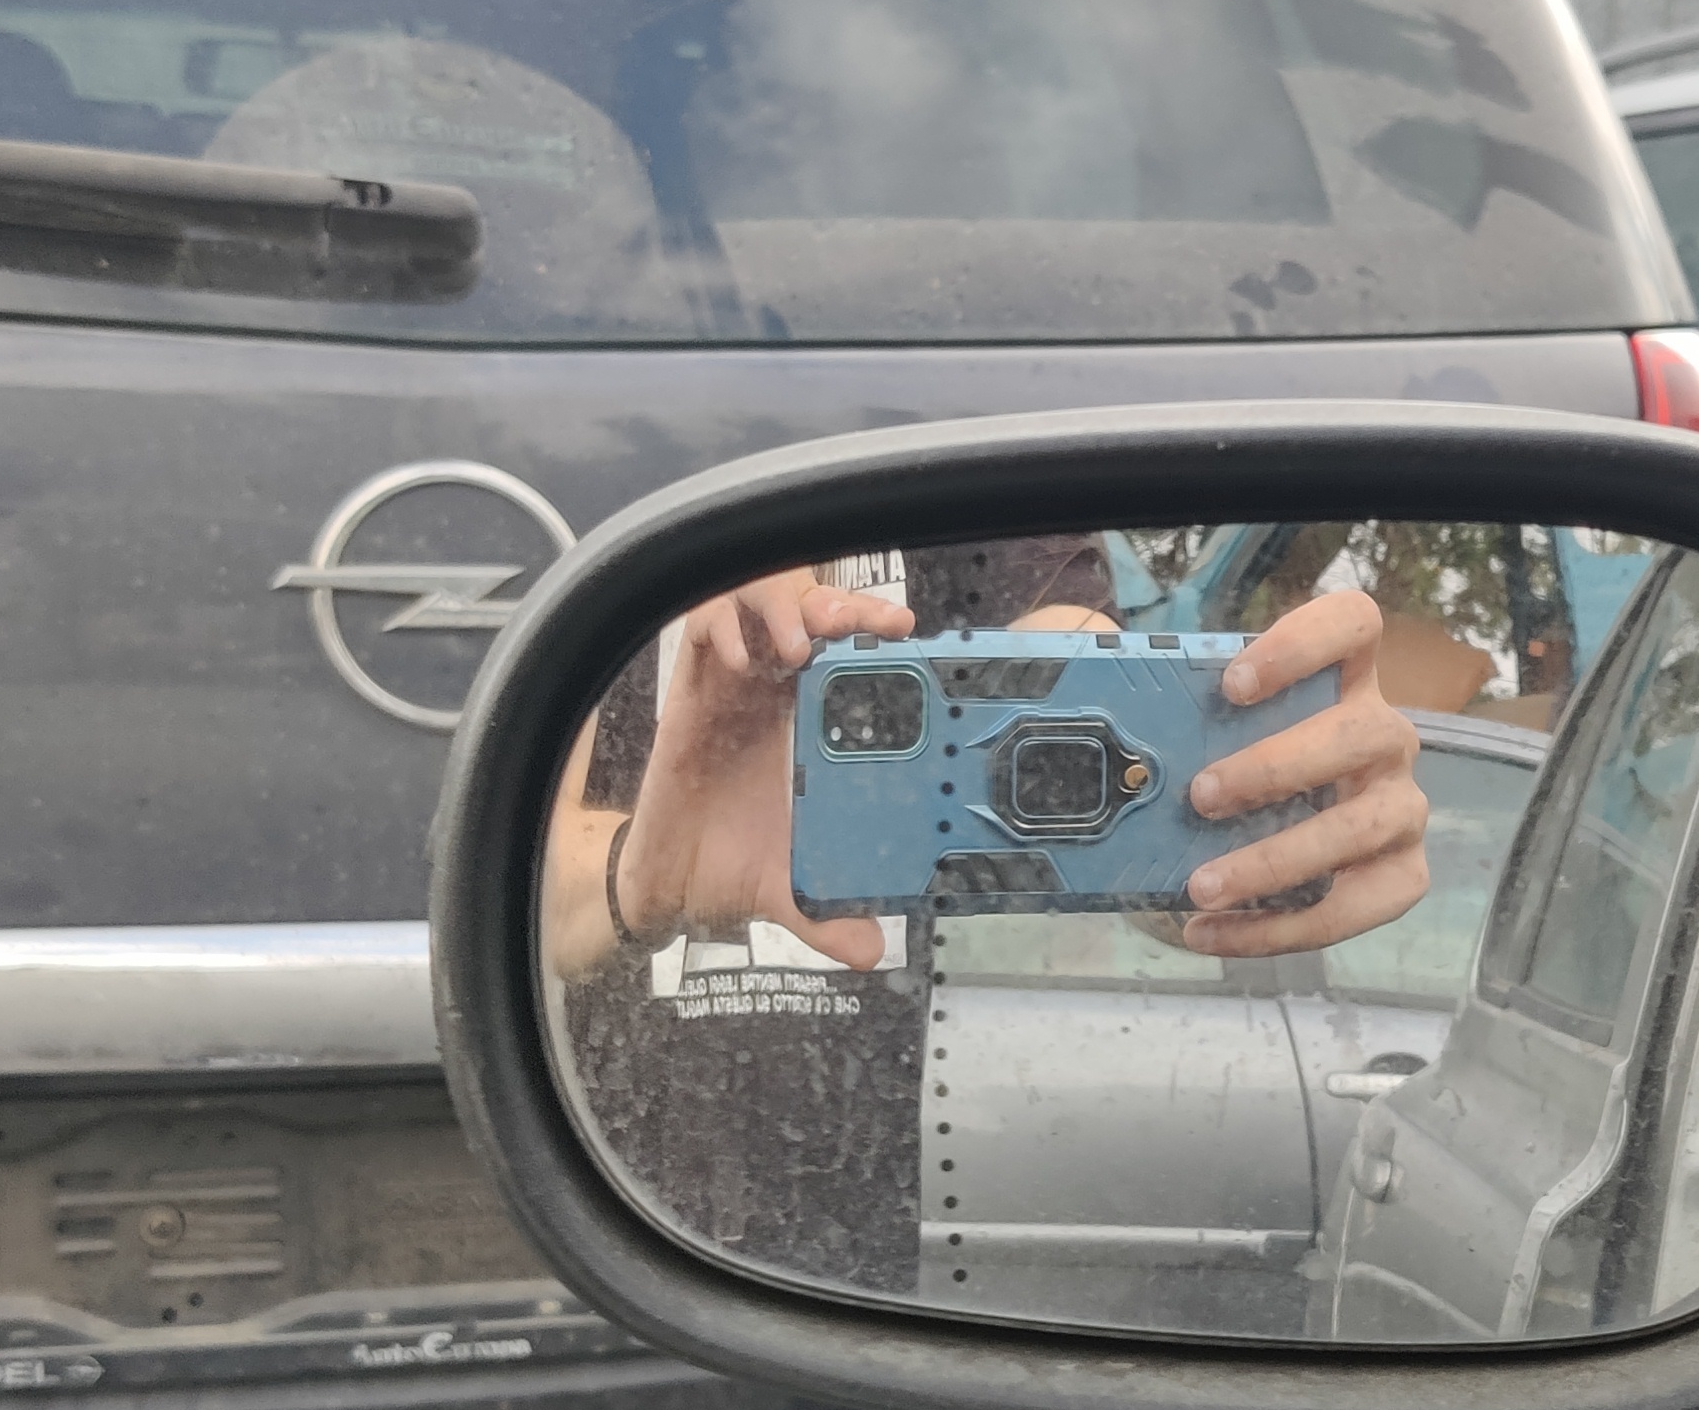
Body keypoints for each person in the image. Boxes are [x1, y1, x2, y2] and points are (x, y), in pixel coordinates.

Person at [544, 538, 1428, 1292]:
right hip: (597, 1227)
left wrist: (1275, 818)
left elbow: (1076, 687)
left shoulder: (976, 473)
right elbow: (520, 870)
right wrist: (649, 871)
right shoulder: (601, 473)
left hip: (856, 1271)